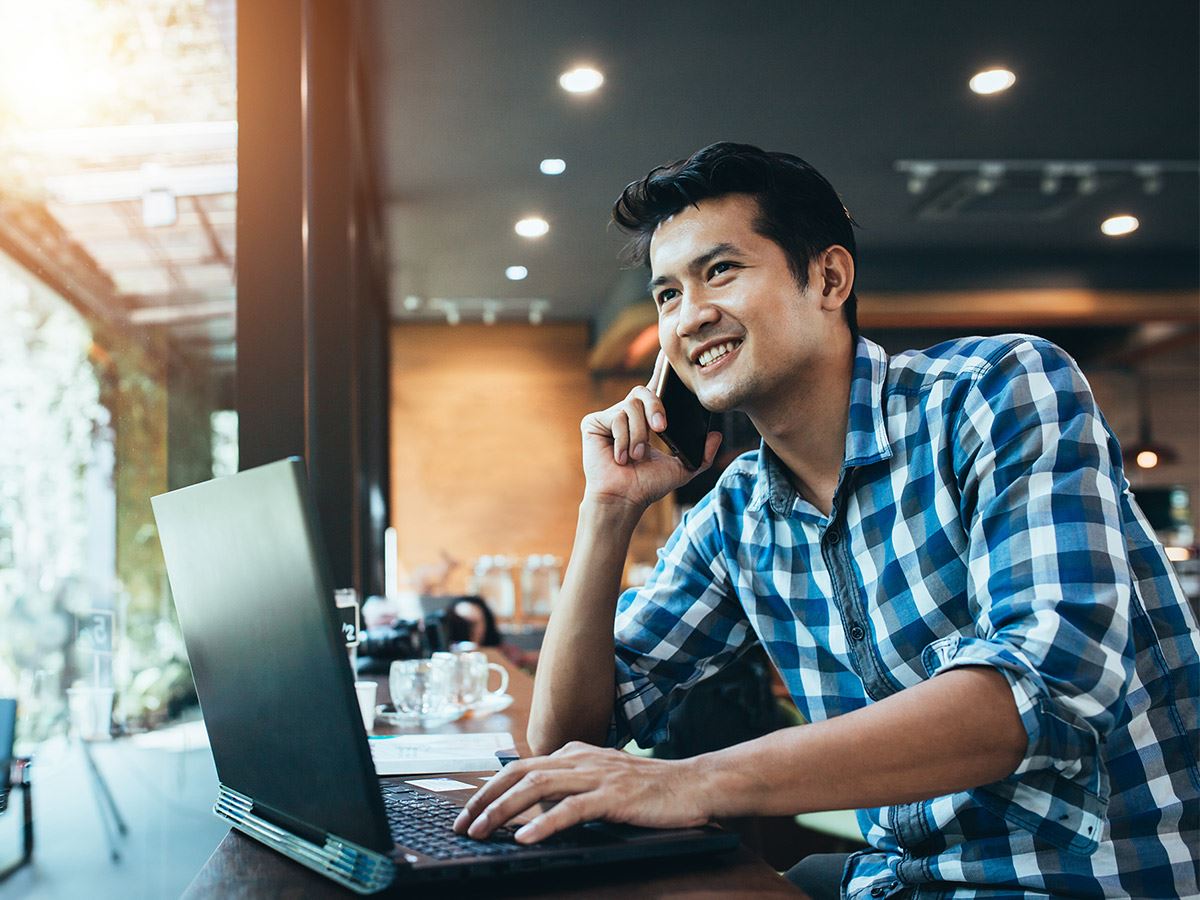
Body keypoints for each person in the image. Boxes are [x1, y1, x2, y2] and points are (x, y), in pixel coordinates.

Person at [452, 143, 1200, 898]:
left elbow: (1048, 683)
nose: (691, 316)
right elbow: (567, 740)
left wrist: (693, 781)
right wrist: (607, 510)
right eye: (668, 294)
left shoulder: (994, 390)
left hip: (1096, 879)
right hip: (903, 881)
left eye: (721, 271)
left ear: (830, 279)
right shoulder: (738, 514)